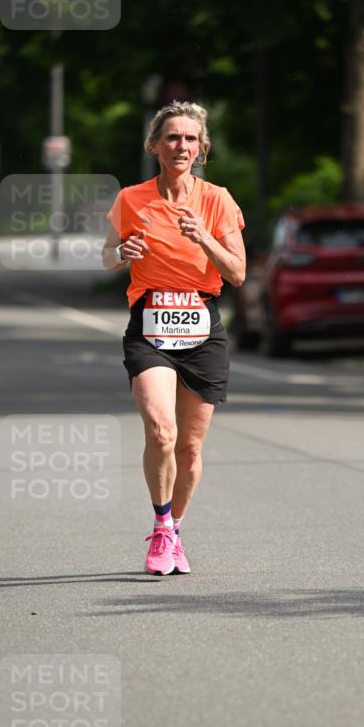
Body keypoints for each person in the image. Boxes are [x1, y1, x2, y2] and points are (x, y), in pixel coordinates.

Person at [102, 101, 246, 574]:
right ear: (154, 146)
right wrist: (122, 252)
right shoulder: (131, 199)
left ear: (201, 148)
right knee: (162, 431)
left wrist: (204, 237)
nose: (181, 145)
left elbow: (238, 273)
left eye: (190, 138)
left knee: (189, 448)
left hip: (203, 327)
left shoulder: (217, 200)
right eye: (171, 137)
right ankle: (161, 527)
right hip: (150, 325)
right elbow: (107, 256)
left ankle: (176, 528)